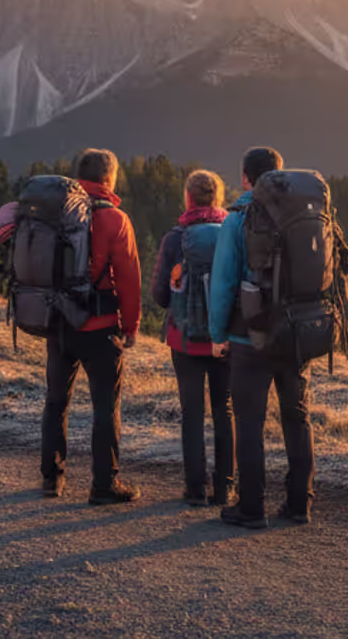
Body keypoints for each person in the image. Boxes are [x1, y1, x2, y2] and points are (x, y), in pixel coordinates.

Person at [209, 146, 314, 529]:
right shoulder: (306, 212)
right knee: (296, 418)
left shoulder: (238, 218)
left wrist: (217, 334)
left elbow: (222, 284)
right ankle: (299, 503)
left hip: (248, 336)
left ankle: (250, 508)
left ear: (245, 178)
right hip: (298, 332)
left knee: (250, 421)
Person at [40, 148, 142, 505]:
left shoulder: (53, 212)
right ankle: (104, 485)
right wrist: (130, 326)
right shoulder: (116, 219)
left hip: (59, 323)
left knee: (56, 402)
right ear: (109, 179)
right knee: (104, 407)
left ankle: (52, 479)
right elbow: (128, 279)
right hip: (100, 326)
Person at [150, 169, 234, 507]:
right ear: (218, 198)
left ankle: (195, 489)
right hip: (224, 339)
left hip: (184, 340)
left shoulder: (175, 239)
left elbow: (158, 294)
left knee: (192, 413)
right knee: (224, 411)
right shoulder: (234, 234)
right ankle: (226, 488)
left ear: (188, 198)